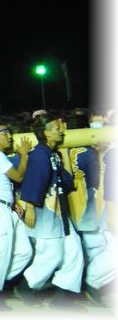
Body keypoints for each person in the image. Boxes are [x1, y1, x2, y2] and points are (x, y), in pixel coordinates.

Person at [14, 114, 85, 311]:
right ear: (45, 133)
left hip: (59, 212)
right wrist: (29, 208)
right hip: (44, 212)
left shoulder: (51, 154)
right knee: (51, 254)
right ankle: (26, 287)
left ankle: (64, 295)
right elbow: (33, 183)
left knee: (74, 250)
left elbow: (68, 181)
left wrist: (64, 153)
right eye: (55, 128)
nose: (60, 131)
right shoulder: (39, 154)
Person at [0, 121, 33, 311]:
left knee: (24, 251)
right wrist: (24, 154)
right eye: (5, 134)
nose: (9, 137)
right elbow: (18, 177)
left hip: (6, 207)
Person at [65, 113, 116, 305]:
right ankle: (93, 283)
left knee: (94, 245)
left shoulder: (71, 148)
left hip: (78, 199)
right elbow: (98, 179)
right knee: (96, 246)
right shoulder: (89, 151)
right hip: (90, 199)